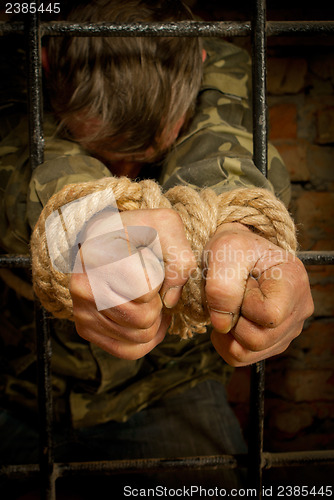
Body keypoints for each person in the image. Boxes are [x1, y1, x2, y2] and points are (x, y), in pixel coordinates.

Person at [0, 0, 313, 495]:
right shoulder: (18, 50)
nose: (127, 172)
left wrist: (238, 227)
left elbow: (221, 145)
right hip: (22, 382)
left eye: (147, 158)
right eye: (106, 153)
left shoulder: (224, 58)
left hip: (166, 386)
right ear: (46, 61)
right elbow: (20, 164)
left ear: (201, 59)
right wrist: (90, 222)